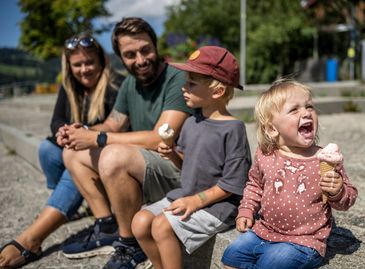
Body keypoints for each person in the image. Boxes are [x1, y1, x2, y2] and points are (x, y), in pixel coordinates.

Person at [60, 17, 193, 268]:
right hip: (150, 168)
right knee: (72, 152)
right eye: (130, 54)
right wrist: (81, 132)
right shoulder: (130, 83)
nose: (140, 60)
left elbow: (159, 137)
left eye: (145, 50)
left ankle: (131, 245)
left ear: (156, 46)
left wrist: (97, 137)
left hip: (180, 169)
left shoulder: (177, 77)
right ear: (121, 57)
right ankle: (107, 225)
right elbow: (112, 125)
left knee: (112, 155)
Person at [0, 32, 122, 269]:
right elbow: (56, 120)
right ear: (69, 66)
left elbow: (115, 127)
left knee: (73, 156)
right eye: (77, 64)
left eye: (89, 63)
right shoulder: (70, 87)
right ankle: (73, 204)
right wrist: (64, 132)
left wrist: (83, 132)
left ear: (101, 61)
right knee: (48, 148)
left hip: (107, 158)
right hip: (81, 152)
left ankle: (31, 240)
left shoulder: (115, 85)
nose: (84, 69)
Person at [132, 46, 252, 269]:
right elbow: (186, 163)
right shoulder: (190, 122)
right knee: (140, 222)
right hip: (186, 194)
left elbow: (233, 183)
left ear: (217, 91)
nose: (183, 88)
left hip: (218, 205)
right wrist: (173, 155)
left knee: (160, 226)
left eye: (192, 84)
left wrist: (196, 201)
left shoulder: (233, 129)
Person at [221, 79, 358, 269]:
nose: (306, 112)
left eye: (309, 106)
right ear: (271, 128)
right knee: (231, 256)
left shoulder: (325, 159)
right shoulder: (266, 154)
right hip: (263, 230)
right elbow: (254, 185)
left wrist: (338, 191)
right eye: (294, 110)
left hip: (303, 241)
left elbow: (347, 199)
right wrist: (246, 210)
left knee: (271, 264)